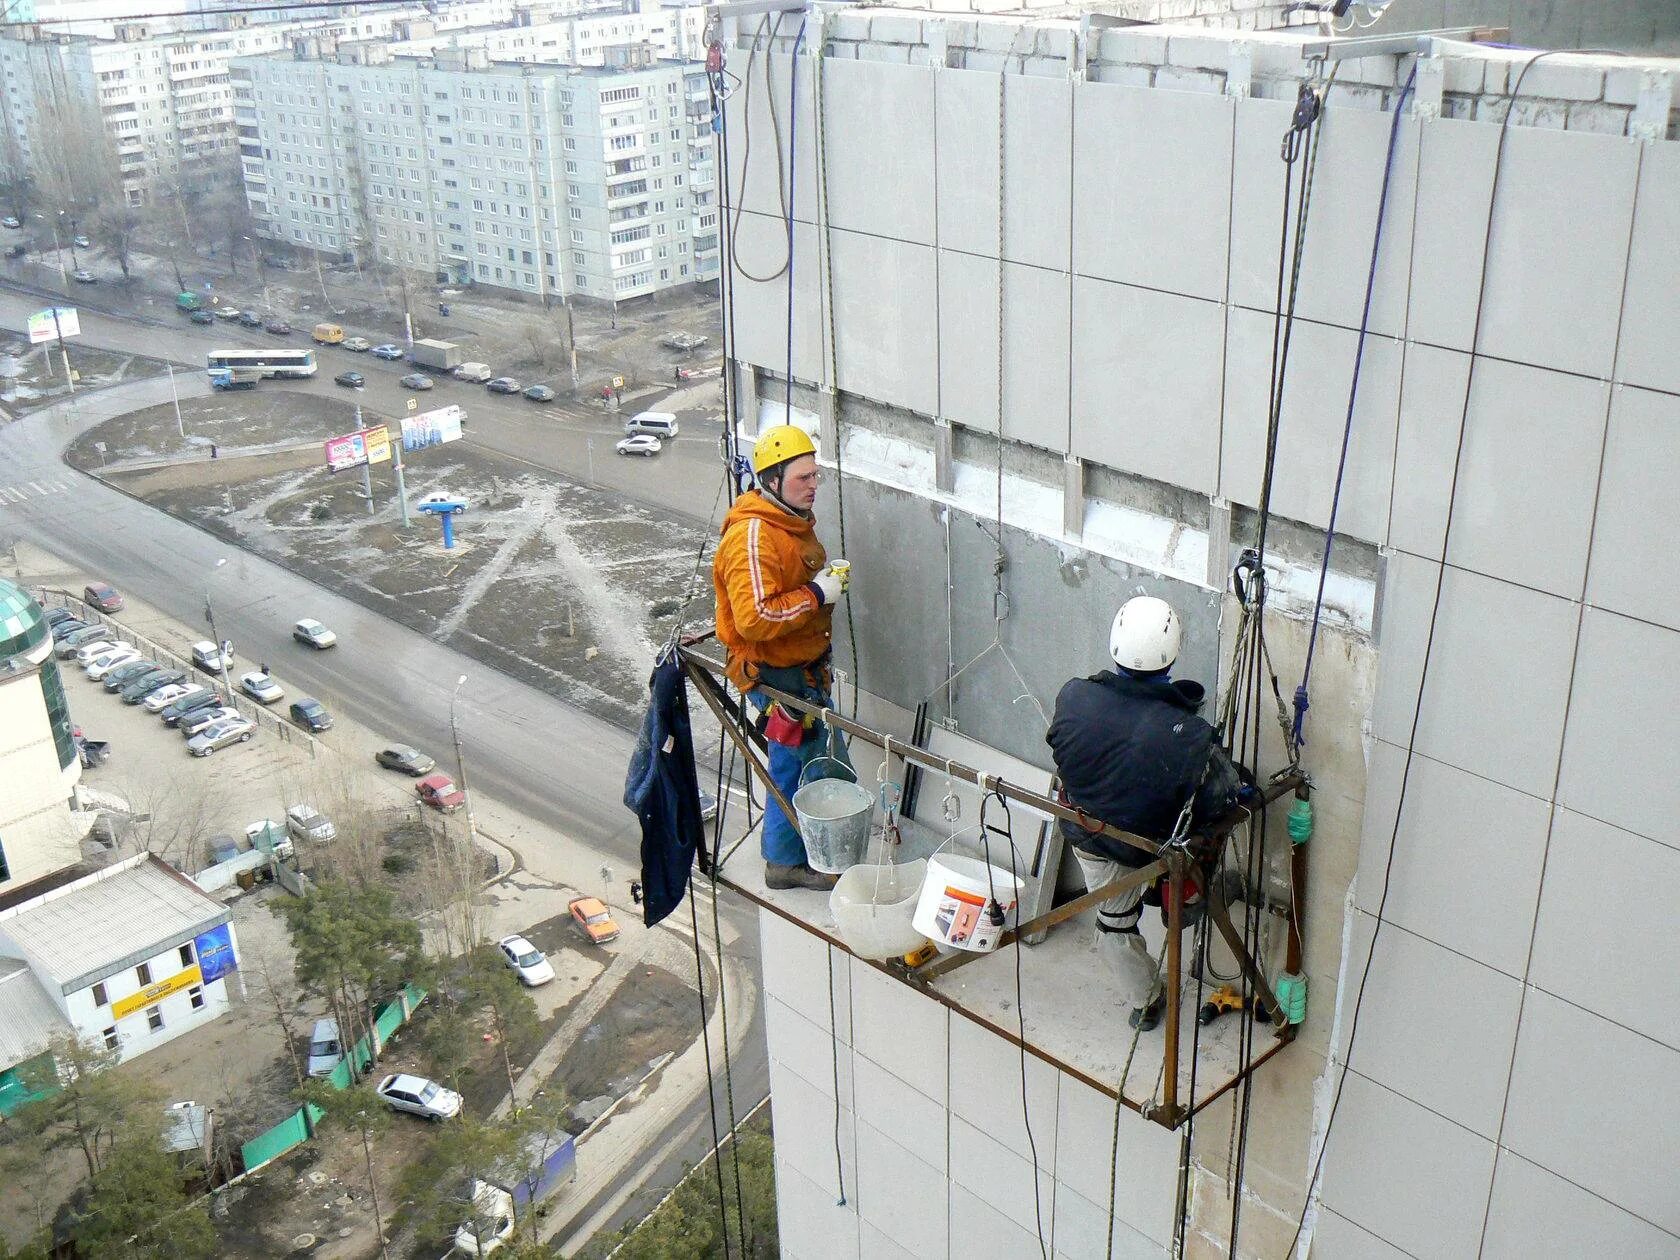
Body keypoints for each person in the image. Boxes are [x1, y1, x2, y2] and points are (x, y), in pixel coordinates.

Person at [1046, 596, 1242, 1031]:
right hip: (1147, 846)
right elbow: (1219, 800)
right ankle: (1179, 893)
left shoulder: (1074, 697)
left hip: (1088, 834)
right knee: (1189, 843)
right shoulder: (1188, 736)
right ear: (1173, 653)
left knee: (1113, 924)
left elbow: (1061, 747)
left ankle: (1145, 999)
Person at [712, 424, 852, 891]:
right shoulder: (754, 535)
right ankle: (785, 863)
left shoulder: (788, 523)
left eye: (815, 476)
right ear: (772, 482)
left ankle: (816, 846)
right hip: (777, 677)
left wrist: (818, 587)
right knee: (792, 767)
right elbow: (754, 618)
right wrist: (816, 594)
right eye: (803, 479)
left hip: (802, 672)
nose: (813, 486)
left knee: (816, 759)